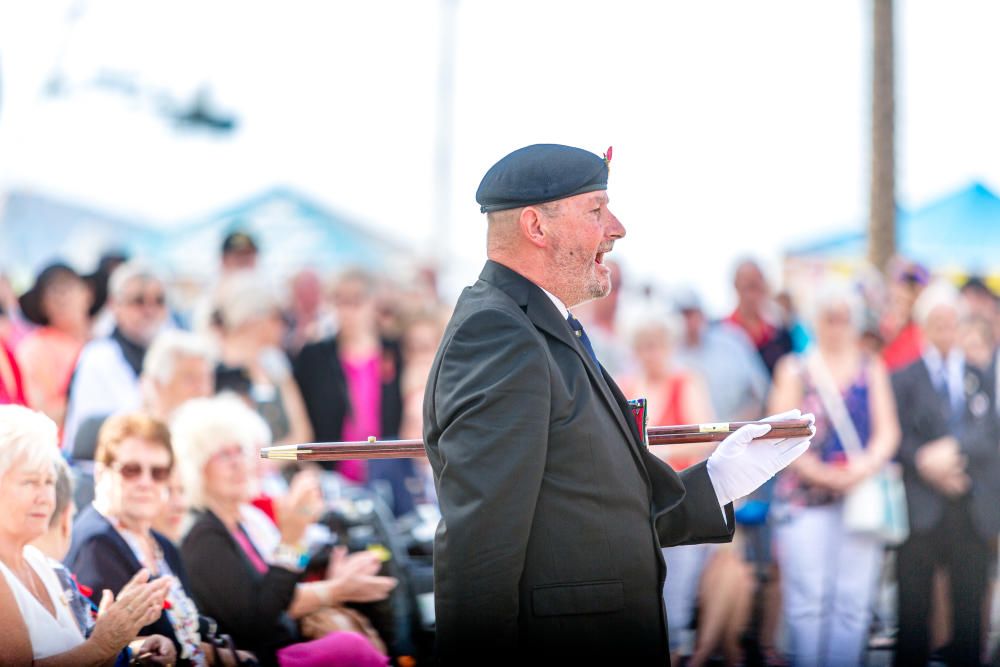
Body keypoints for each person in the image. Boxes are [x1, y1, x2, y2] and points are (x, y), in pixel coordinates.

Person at [422, 143, 815, 664]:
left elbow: (585, 509)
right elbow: (481, 544)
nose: (617, 228)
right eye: (596, 210)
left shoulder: (534, 324)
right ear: (537, 228)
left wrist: (717, 480)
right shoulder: (498, 333)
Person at [172, 395, 396, 667]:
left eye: (240, 450)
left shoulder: (240, 523)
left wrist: (306, 552)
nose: (236, 463)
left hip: (283, 644)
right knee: (350, 647)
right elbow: (259, 619)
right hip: (259, 657)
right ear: (196, 467)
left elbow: (283, 585)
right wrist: (293, 541)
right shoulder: (205, 537)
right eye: (222, 454)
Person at [768, 284, 900, 667]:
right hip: (805, 498)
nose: (838, 326)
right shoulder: (795, 368)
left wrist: (861, 469)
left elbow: (887, 431)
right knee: (807, 601)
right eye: (830, 317)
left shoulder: (870, 366)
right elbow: (779, 432)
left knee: (854, 602)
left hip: (861, 498)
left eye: (844, 318)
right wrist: (822, 474)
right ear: (817, 320)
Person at [0, 404, 173, 664]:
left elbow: (81, 648)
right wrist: (104, 643)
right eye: (30, 482)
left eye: (49, 482)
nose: (46, 498)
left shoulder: (41, 564)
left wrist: (134, 648)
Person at [891, 281, 1000, 667]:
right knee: (913, 612)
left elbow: (990, 431)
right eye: (937, 320)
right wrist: (924, 462)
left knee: (969, 610)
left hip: (969, 505)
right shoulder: (903, 377)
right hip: (921, 509)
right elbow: (895, 434)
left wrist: (952, 455)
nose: (945, 328)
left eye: (952, 320)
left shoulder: (979, 373)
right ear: (922, 325)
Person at [65, 413, 209, 664]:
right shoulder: (96, 544)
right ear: (101, 473)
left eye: (158, 472)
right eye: (131, 470)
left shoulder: (162, 545)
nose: (145, 482)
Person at [294, 270, 412, 513]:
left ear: (372, 303)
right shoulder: (315, 356)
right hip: (333, 476)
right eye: (341, 301)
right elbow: (302, 413)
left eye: (357, 300)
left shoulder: (395, 351)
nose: (349, 310)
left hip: (387, 472)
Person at [62, 261, 170, 455]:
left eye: (159, 301)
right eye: (138, 301)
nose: (149, 309)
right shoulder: (98, 357)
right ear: (115, 305)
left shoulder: (175, 354)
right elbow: (95, 434)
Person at [213, 271, 313, 446]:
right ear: (255, 319)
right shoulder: (215, 368)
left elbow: (302, 433)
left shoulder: (275, 363)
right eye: (277, 317)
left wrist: (270, 461)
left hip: (283, 468)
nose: (282, 326)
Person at [674, 287, 770, 422]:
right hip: (688, 441)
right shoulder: (665, 356)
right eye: (683, 315)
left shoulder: (732, 343)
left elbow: (761, 394)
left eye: (692, 314)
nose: (688, 322)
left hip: (738, 434)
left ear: (702, 314)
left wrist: (730, 431)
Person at [15, 262, 93, 426]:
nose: (61, 296)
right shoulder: (34, 349)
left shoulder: (106, 345)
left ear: (88, 293)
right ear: (43, 305)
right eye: (52, 291)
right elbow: (37, 414)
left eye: (67, 286)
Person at [725, 259, 793, 376]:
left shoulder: (779, 333)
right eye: (748, 286)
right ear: (736, 286)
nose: (752, 294)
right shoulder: (724, 334)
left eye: (756, 285)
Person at [141, 329, 216, 422]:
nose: (202, 389)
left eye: (206, 379)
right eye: (190, 379)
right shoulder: (133, 433)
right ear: (158, 385)